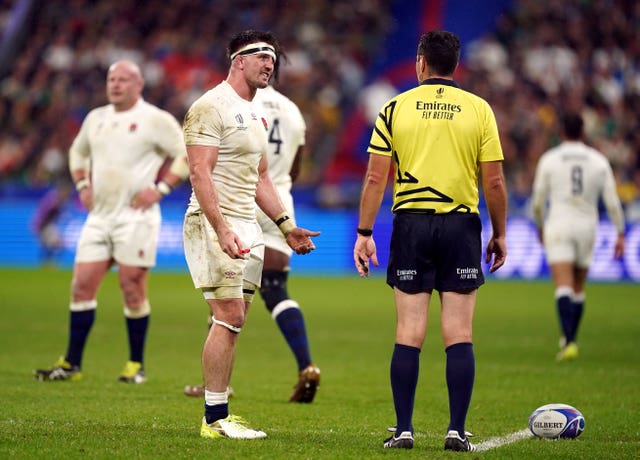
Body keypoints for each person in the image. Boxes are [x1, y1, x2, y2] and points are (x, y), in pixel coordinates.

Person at [352, 31, 507, 452]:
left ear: (421, 63)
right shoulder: (479, 109)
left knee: (409, 330)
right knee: (458, 331)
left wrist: (364, 233)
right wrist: (500, 232)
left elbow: (374, 177)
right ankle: (456, 431)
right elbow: (493, 179)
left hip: (412, 224)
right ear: (456, 65)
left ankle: (403, 430)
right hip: (460, 225)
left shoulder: (394, 107)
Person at [182, 30, 319, 440]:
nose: (269, 64)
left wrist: (285, 225)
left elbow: (261, 177)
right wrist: (220, 227)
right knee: (230, 315)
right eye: (261, 56)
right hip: (215, 221)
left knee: (235, 320)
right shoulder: (209, 107)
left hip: (248, 224)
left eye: (273, 58)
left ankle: (219, 413)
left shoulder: (256, 113)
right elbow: (198, 172)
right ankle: (214, 419)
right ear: (237, 60)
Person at [34, 60, 190, 384]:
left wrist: (160, 189)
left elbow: (185, 155)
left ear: (139, 84)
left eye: (123, 80)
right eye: (111, 79)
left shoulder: (155, 120)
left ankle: (135, 365)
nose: (115, 84)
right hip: (99, 217)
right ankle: (71, 364)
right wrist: (81, 185)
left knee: (131, 286)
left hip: (136, 217)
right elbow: (77, 154)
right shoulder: (96, 118)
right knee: (80, 286)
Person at [531, 112, 625, 362]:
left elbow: (538, 201)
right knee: (578, 288)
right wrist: (620, 232)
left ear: (561, 132)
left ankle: (569, 340)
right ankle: (571, 339)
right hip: (587, 227)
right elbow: (613, 202)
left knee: (563, 286)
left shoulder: (549, 160)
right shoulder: (598, 161)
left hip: (559, 225)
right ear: (583, 132)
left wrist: (539, 226)